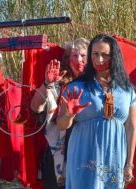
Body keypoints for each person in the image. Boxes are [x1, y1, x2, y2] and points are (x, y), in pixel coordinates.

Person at [59, 34, 136, 188]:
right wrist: (69, 114)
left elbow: (131, 127)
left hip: (114, 158)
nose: (99, 60)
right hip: (83, 157)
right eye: (95, 54)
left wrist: (129, 164)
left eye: (104, 55)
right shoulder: (76, 87)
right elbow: (61, 125)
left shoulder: (127, 90)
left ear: (114, 57)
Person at [31, 38, 89, 188]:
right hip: (58, 147)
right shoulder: (59, 82)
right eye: (74, 56)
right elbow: (35, 107)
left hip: (86, 147)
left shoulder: (96, 84)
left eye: (83, 55)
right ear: (68, 59)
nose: (79, 60)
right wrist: (47, 84)